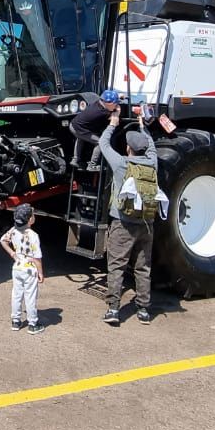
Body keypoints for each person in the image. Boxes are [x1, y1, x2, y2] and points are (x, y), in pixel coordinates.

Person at [98, 111, 158, 326]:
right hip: (146, 223)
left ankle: (114, 309)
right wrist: (143, 125)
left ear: (128, 148)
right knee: (143, 268)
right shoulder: (153, 163)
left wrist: (113, 123)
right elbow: (151, 145)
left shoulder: (122, 164)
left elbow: (104, 145)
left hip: (122, 223)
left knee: (116, 266)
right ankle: (143, 310)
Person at [0, 204, 44, 334]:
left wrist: (12, 254)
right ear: (30, 219)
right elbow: (37, 257)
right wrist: (40, 272)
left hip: (17, 267)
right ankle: (32, 323)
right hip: (30, 269)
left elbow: (3, 240)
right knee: (30, 296)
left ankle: (16, 321)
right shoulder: (33, 235)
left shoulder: (13, 230)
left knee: (16, 294)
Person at [70, 89, 120, 170]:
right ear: (108, 103)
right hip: (79, 129)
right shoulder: (103, 112)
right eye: (115, 103)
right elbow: (115, 121)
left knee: (80, 138)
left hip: (74, 125)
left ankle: (75, 160)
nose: (116, 104)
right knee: (100, 142)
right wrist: (118, 111)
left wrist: (118, 97)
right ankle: (92, 165)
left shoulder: (98, 102)